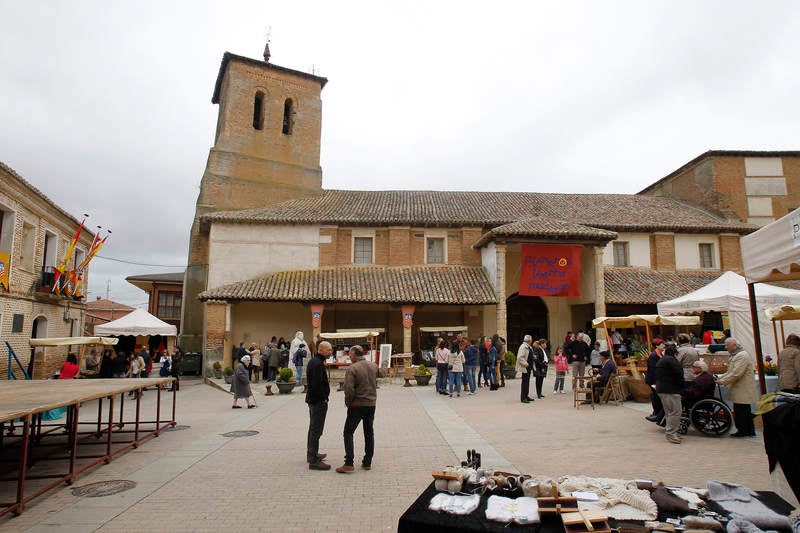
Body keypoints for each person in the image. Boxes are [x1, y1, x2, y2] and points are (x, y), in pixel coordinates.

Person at [336, 345, 378, 473]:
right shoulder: (372, 365)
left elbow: (349, 389)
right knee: (369, 432)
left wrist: (348, 402)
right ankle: (367, 462)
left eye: (350, 354)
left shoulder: (352, 368)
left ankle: (349, 463)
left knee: (348, 432)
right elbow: (381, 372)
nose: (349, 356)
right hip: (371, 404)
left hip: (357, 405)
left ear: (353, 355)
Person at [716, 337, 758, 437]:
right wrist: (721, 377)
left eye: (727, 345)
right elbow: (731, 371)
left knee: (741, 411)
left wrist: (723, 381)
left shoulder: (741, 356)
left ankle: (743, 431)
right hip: (740, 388)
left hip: (742, 388)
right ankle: (749, 430)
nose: (726, 347)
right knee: (744, 410)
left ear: (734, 345)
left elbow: (736, 373)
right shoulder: (736, 355)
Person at [306, 341, 332, 470]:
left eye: (331, 349)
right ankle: (313, 460)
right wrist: (324, 398)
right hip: (317, 401)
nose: (330, 352)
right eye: (328, 350)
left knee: (313, 428)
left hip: (314, 400)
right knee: (316, 430)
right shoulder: (316, 364)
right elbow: (317, 385)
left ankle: (312, 454)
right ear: (320, 350)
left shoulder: (316, 361)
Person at [656, 344, 684, 444]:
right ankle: (672, 434)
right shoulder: (672, 361)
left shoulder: (662, 360)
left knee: (669, 412)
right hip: (671, 389)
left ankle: (671, 432)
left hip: (662, 389)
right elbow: (679, 374)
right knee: (675, 412)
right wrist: (682, 386)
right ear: (675, 353)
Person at [645, 339, 666, 425]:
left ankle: (657, 413)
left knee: (658, 397)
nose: (663, 345)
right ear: (657, 346)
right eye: (661, 344)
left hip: (659, 379)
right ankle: (656, 413)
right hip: (654, 379)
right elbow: (653, 369)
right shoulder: (653, 356)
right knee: (656, 397)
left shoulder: (661, 354)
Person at [516, 335, 534, 403]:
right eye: (531, 339)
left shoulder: (529, 347)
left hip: (528, 367)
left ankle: (526, 395)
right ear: (529, 340)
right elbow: (520, 358)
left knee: (527, 382)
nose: (532, 341)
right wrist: (526, 364)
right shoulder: (523, 347)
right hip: (525, 367)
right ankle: (523, 398)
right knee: (524, 382)